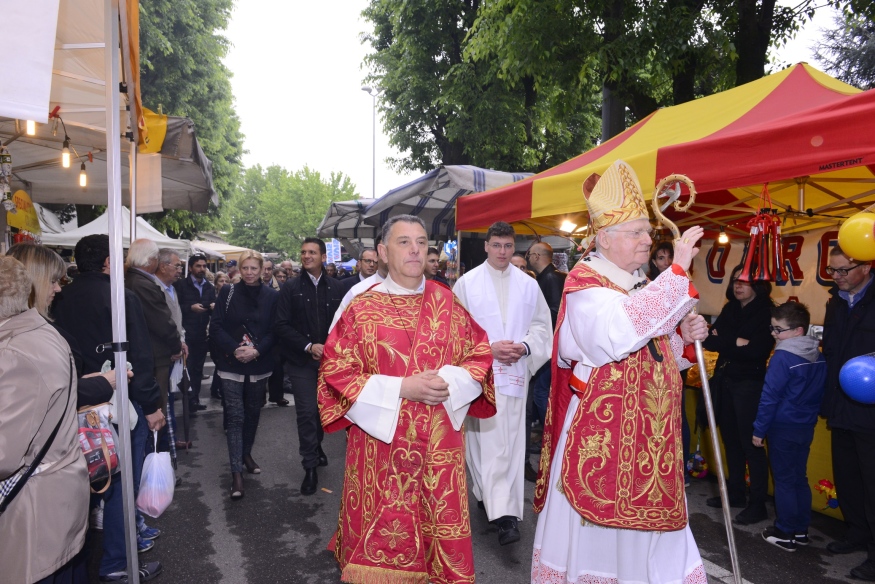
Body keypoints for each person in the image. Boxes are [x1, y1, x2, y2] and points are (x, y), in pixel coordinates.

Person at [532, 160, 709, 583]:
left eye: (648, 232)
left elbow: (652, 353)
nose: (648, 239)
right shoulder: (586, 284)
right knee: (600, 539)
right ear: (606, 238)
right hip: (603, 433)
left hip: (649, 433)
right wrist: (677, 273)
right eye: (637, 232)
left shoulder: (638, 283)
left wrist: (682, 338)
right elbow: (615, 335)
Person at [318, 214, 496, 583]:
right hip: (380, 449)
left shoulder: (448, 302)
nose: (415, 250)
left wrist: (448, 381)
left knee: (437, 535)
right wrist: (401, 388)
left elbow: (479, 354)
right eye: (403, 242)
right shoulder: (361, 308)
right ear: (383, 252)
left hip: (439, 449)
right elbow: (335, 371)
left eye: (421, 242)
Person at [6, 243, 143, 582]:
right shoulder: (30, 338)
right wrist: (102, 383)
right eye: (54, 281)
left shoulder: (32, 332)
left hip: (45, 490)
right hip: (44, 491)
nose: (59, 289)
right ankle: (115, 563)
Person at [53, 234, 166, 575]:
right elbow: (140, 357)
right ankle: (118, 563)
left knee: (82, 486)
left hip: (73, 403)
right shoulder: (121, 297)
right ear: (107, 262)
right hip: (117, 404)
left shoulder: (59, 297)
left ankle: (82, 561)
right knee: (120, 484)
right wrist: (152, 405)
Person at [453, 221, 552, 545]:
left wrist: (525, 347)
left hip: (515, 375)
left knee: (510, 443)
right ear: (486, 246)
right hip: (481, 375)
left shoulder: (528, 285)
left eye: (508, 246)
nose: (502, 252)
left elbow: (542, 327)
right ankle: (489, 497)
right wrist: (488, 349)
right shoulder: (466, 284)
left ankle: (505, 516)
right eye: (496, 245)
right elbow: (455, 332)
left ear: (515, 247)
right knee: (484, 442)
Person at [0, 256, 90, 584]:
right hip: (50, 501)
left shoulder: (14, 351)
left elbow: (4, 455)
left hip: (34, 511)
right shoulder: (36, 333)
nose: (58, 289)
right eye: (53, 281)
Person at [702, 264, 774, 524]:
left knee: (751, 444)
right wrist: (736, 341)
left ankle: (757, 503)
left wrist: (726, 340)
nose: (738, 286)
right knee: (730, 440)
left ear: (758, 284)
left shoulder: (767, 312)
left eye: (744, 281)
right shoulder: (731, 308)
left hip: (749, 384)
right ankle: (735, 494)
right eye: (735, 280)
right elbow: (709, 340)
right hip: (725, 379)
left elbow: (757, 351)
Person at [752, 301, 826, 552]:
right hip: (805, 425)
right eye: (772, 328)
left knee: (784, 480)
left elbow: (769, 396)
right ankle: (800, 529)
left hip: (783, 425)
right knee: (798, 478)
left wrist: (759, 429)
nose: (774, 334)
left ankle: (784, 532)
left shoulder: (783, 357)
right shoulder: (818, 354)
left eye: (778, 329)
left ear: (797, 330)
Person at [821, 244, 875, 580]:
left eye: (844, 270)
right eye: (832, 270)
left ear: (866, 267)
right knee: (848, 475)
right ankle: (856, 532)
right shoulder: (836, 301)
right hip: (841, 404)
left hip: (870, 408)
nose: (837, 276)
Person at [275, 238, 344, 495]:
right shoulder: (290, 287)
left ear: (323, 257)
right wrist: (307, 346)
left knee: (321, 411)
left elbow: (345, 324)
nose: (306, 256)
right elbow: (281, 324)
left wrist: (332, 348)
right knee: (306, 412)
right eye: (303, 252)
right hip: (301, 361)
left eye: (312, 252)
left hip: (330, 362)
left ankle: (316, 446)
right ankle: (310, 466)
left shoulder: (337, 287)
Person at [210, 250, 279, 499]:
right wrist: (235, 348)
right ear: (239, 269)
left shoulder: (272, 296)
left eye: (254, 268)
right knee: (235, 416)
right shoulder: (227, 293)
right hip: (231, 363)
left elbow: (275, 330)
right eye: (245, 268)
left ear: (262, 270)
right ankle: (236, 472)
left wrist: (257, 351)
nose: (249, 273)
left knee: (252, 412)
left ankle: (246, 453)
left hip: (259, 363)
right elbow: (216, 325)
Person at [125, 239, 183, 420]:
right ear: (150, 259)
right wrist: (176, 346)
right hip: (155, 354)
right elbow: (162, 322)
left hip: (149, 353)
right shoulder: (142, 284)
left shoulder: (134, 280)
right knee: (158, 408)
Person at [175, 253, 217, 413]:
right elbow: (175, 307)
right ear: (191, 268)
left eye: (204, 266)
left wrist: (213, 307)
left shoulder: (209, 287)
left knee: (198, 369)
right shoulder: (181, 285)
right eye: (198, 266)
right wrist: (190, 308)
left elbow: (213, 308)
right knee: (187, 368)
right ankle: (188, 399)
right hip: (185, 333)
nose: (202, 269)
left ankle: (194, 399)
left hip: (201, 333)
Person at [331, 240, 387, 330]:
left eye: (375, 262)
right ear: (359, 263)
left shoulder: (384, 285)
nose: (372, 265)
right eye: (368, 261)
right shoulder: (344, 285)